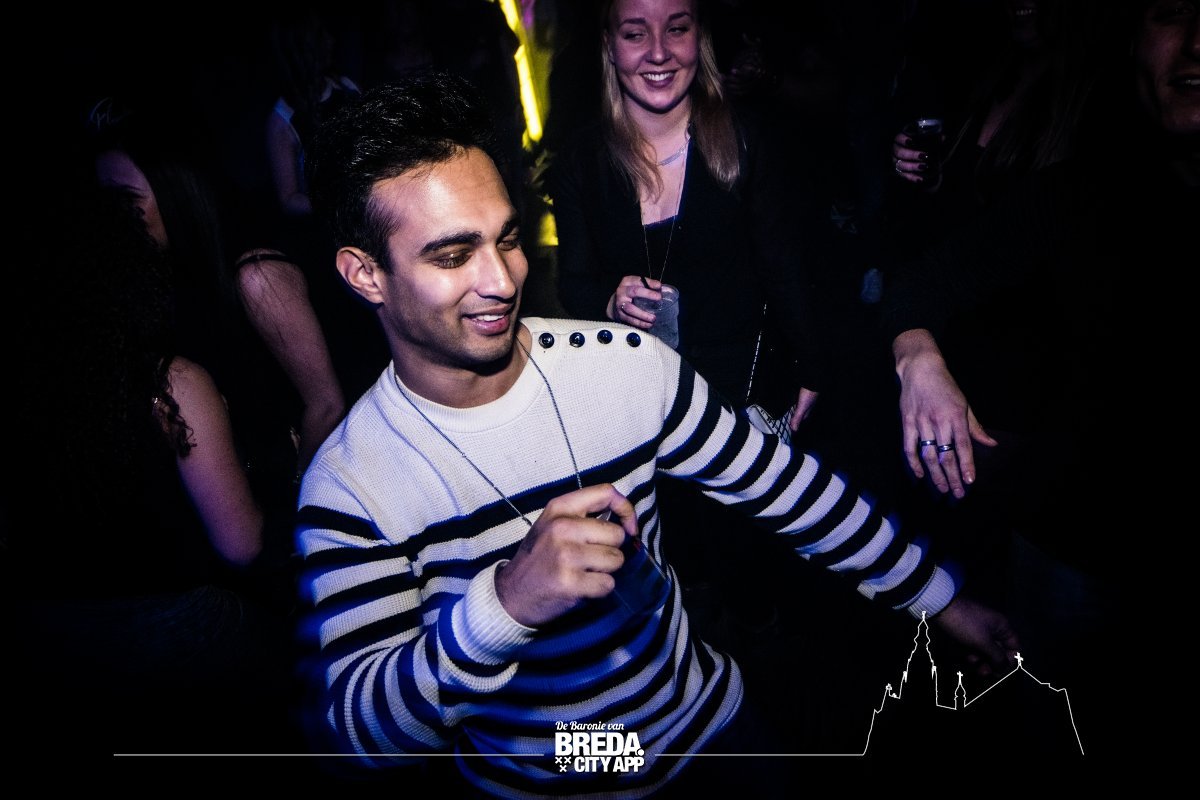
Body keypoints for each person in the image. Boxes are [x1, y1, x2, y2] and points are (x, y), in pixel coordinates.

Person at [294, 70, 1019, 797]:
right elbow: (364, 736)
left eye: (507, 239)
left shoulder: (623, 367)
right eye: (453, 256)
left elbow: (791, 492)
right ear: (366, 275)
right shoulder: (353, 482)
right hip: (547, 781)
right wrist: (504, 606)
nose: (502, 281)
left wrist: (943, 599)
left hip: (708, 733)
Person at [880, 0, 1197, 759]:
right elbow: (921, 280)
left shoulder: (1073, 106)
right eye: (1170, 12)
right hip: (1073, 550)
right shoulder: (1088, 190)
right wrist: (917, 357)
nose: (1194, 43)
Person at [541, 0, 850, 652]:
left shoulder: (744, 138)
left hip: (739, 394)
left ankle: (759, 648)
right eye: (636, 32)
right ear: (610, 45)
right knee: (674, 557)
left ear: (699, 38)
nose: (658, 51)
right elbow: (573, 284)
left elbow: (785, 265)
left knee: (748, 554)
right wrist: (609, 300)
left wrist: (813, 367)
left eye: (676, 28)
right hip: (643, 404)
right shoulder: (582, 161)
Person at [7, 180, 301, 756]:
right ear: (128, 272)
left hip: (45, 637)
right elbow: (242, 545)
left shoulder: (21, 389)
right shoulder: (170, 385)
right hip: (172, 631)